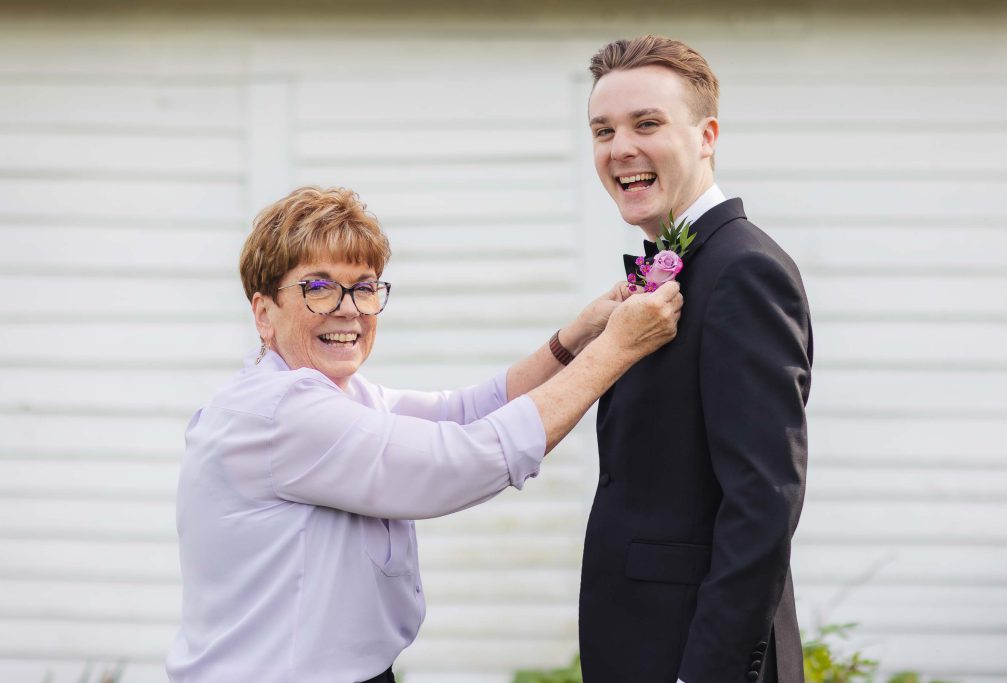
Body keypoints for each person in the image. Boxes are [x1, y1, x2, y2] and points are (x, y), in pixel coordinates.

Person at [164, 186, 682, 683]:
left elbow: (463, 413)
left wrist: (579, 335)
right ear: (263, 313)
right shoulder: (279, 411)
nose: (348, 307)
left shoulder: (338, 396)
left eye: (364, 287)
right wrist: (617, 350)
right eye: (318, 287)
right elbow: (461, 460)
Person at [578, 36, 813, 683]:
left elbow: (762, 503)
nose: (620, 148)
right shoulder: (674, 269)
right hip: (641, 646)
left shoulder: (744, 272)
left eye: (646, 123)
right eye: (603, 130)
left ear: (706, 135)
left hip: (694, 659)